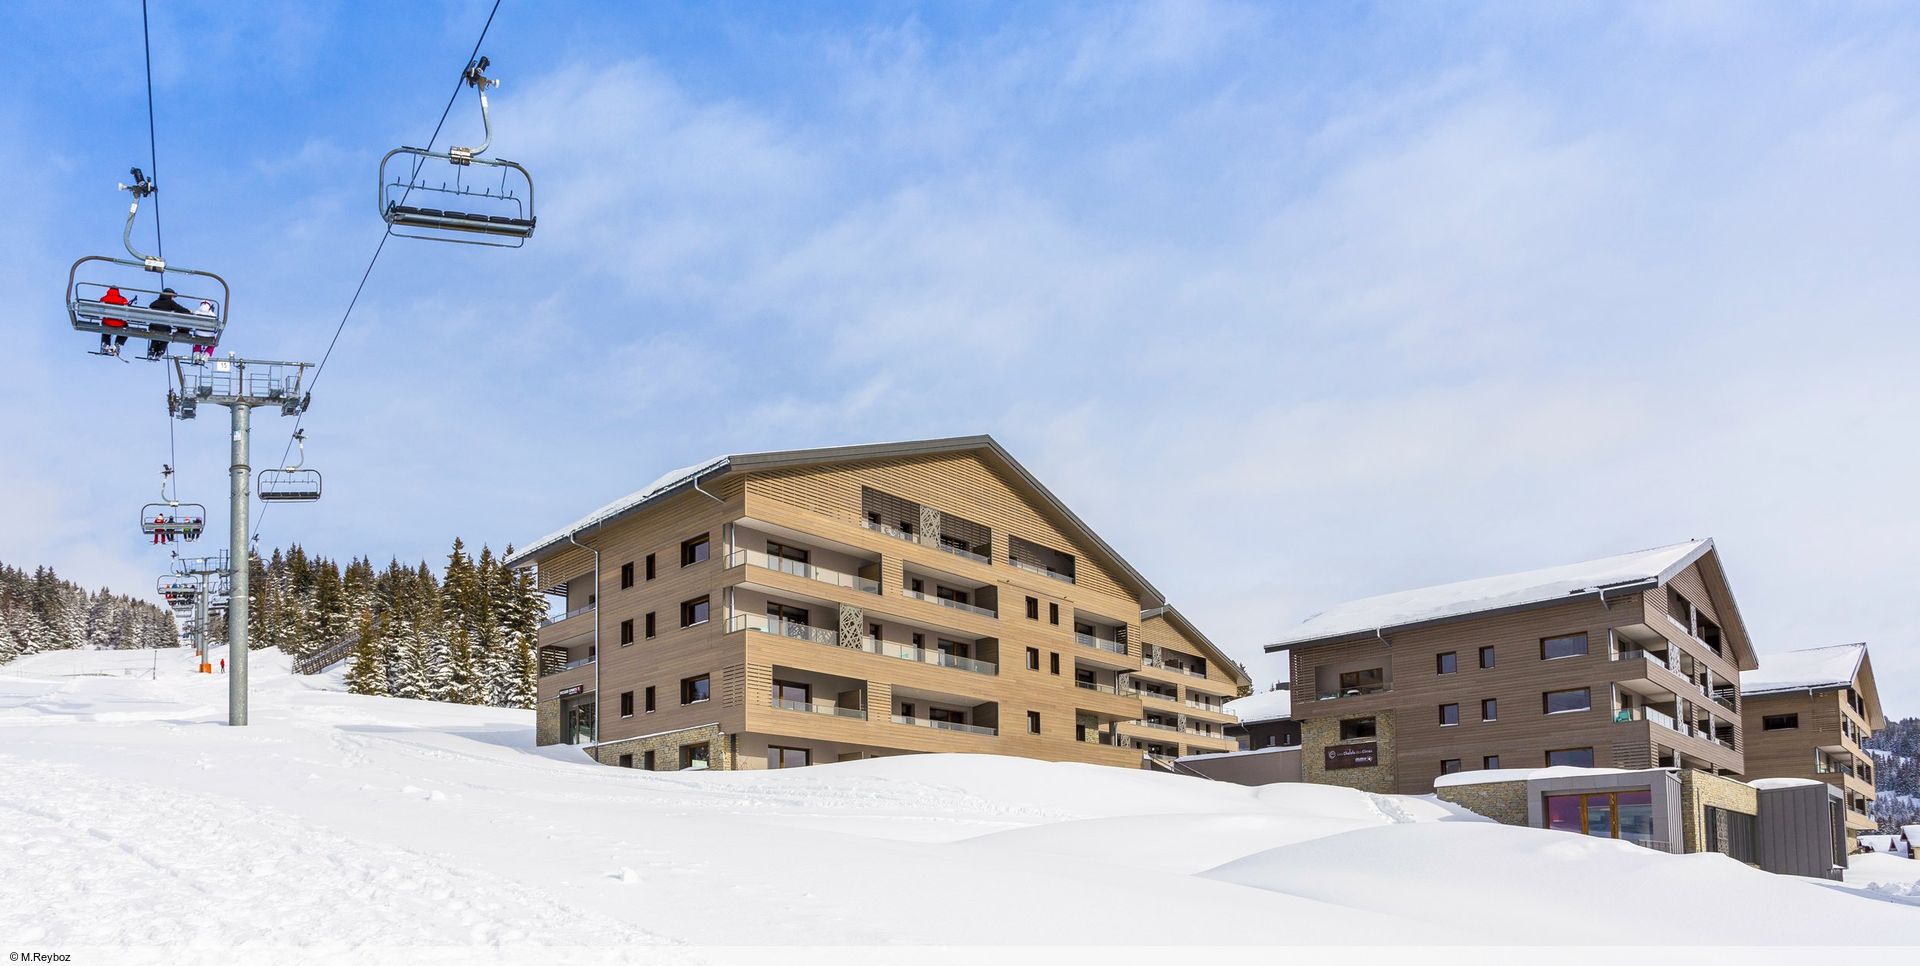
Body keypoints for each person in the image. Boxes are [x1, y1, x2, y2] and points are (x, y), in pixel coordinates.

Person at [145, 288, 191, 360]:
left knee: (155, 337)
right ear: (170, 296)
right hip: (165, 327)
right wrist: (189, 311)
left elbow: (150, 307)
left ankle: (152, 350)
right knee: (165, 338)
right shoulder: (170, 303)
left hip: (153, 326)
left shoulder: (154, 303)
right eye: (173, 297)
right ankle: (160, 351)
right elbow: (180, 309)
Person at [98, 286, 134, 355]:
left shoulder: (103, 298)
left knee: (105, 328)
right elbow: (126, 312)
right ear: (118, 291)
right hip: (119, 323)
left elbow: (100, 311)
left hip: (107, 322)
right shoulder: (123, 299)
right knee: (126, 329)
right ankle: (118, 343)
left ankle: (106, 343)